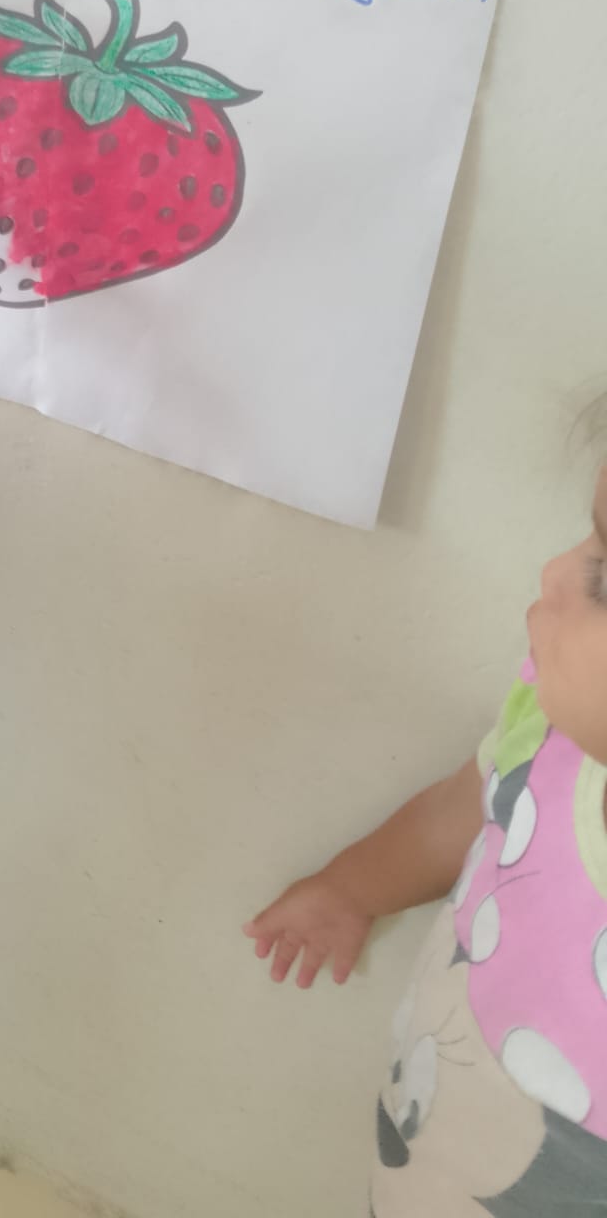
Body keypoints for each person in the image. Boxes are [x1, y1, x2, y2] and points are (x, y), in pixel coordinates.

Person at [244, 468, 607, 1215]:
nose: (554, 571)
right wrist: (351, 888)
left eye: (602, 579)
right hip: (431, 1154)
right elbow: (468, 809)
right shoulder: (553, 727)